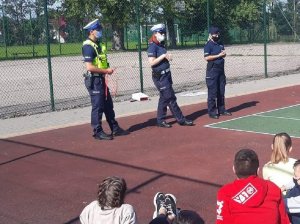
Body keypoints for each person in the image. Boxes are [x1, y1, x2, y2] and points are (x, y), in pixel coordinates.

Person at [216, 148, 290, 224]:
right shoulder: (273, 187)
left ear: (234, 169)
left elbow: (222, 221)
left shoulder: (225, 192)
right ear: (258, 170)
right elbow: (284, 220)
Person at [82, 19, 128, 140]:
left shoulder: (99, 44)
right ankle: (97, 131)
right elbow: (90, 67)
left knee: (108, 105)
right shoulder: (88, 46)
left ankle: (115, 128)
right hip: (94, 80)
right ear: (91, 31)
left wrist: (107, 69)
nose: (100, 31)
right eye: (98, 30)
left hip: (101, 79)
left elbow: (100, 63)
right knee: (98, 106)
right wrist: (106, 71)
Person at [147, 24, 194, 128]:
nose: (163, 34)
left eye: (164, 32)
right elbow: (151, 62)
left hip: (167, 75)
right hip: (160, 77)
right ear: (155, 33)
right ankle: (181, 119)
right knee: (171, 98)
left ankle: (160, 120)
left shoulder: (160, 44)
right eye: (161, 33)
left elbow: (163, 57)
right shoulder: (152, 46)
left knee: (164, 98)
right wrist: (163, 56)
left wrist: (168, 57)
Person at [204, 27, 231, 119]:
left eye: (218, 34)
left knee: (221, 91)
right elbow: (207, 58)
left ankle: (222, 109)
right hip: (212, 70)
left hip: (221, 70)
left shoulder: (220, 43)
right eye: (215, 34)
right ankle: (212, 112)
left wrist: (224, 54)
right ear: (211, 35)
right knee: (212, 92)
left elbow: (223, 53)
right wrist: (218, 55)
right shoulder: (208, 45)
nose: (217, 36)